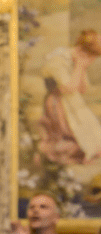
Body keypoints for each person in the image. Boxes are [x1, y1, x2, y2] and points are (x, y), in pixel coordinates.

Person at [38, 29, 101, 166]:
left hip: (72, 100)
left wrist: (82, 68)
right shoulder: (58, 60)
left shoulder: (76, 59)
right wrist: (79, 65)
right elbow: (68, 89)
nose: (91, 63)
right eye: (91, 59)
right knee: (79, 138)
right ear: (82, 53)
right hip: (58, 103)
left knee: (94, 139)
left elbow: (83, 89)